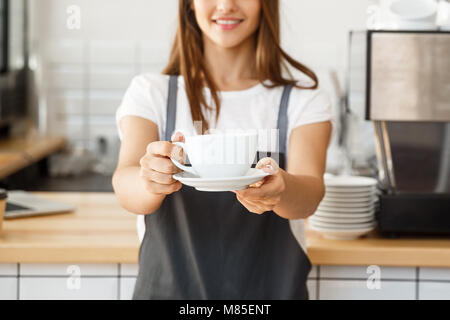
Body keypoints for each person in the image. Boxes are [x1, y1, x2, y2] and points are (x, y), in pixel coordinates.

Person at [113, 0, 333, 300]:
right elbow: (125, 183)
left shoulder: (303, 99)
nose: (226, 5)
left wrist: (282, 190)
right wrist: (150, 178)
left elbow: (310, 195)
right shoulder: (151, 93)